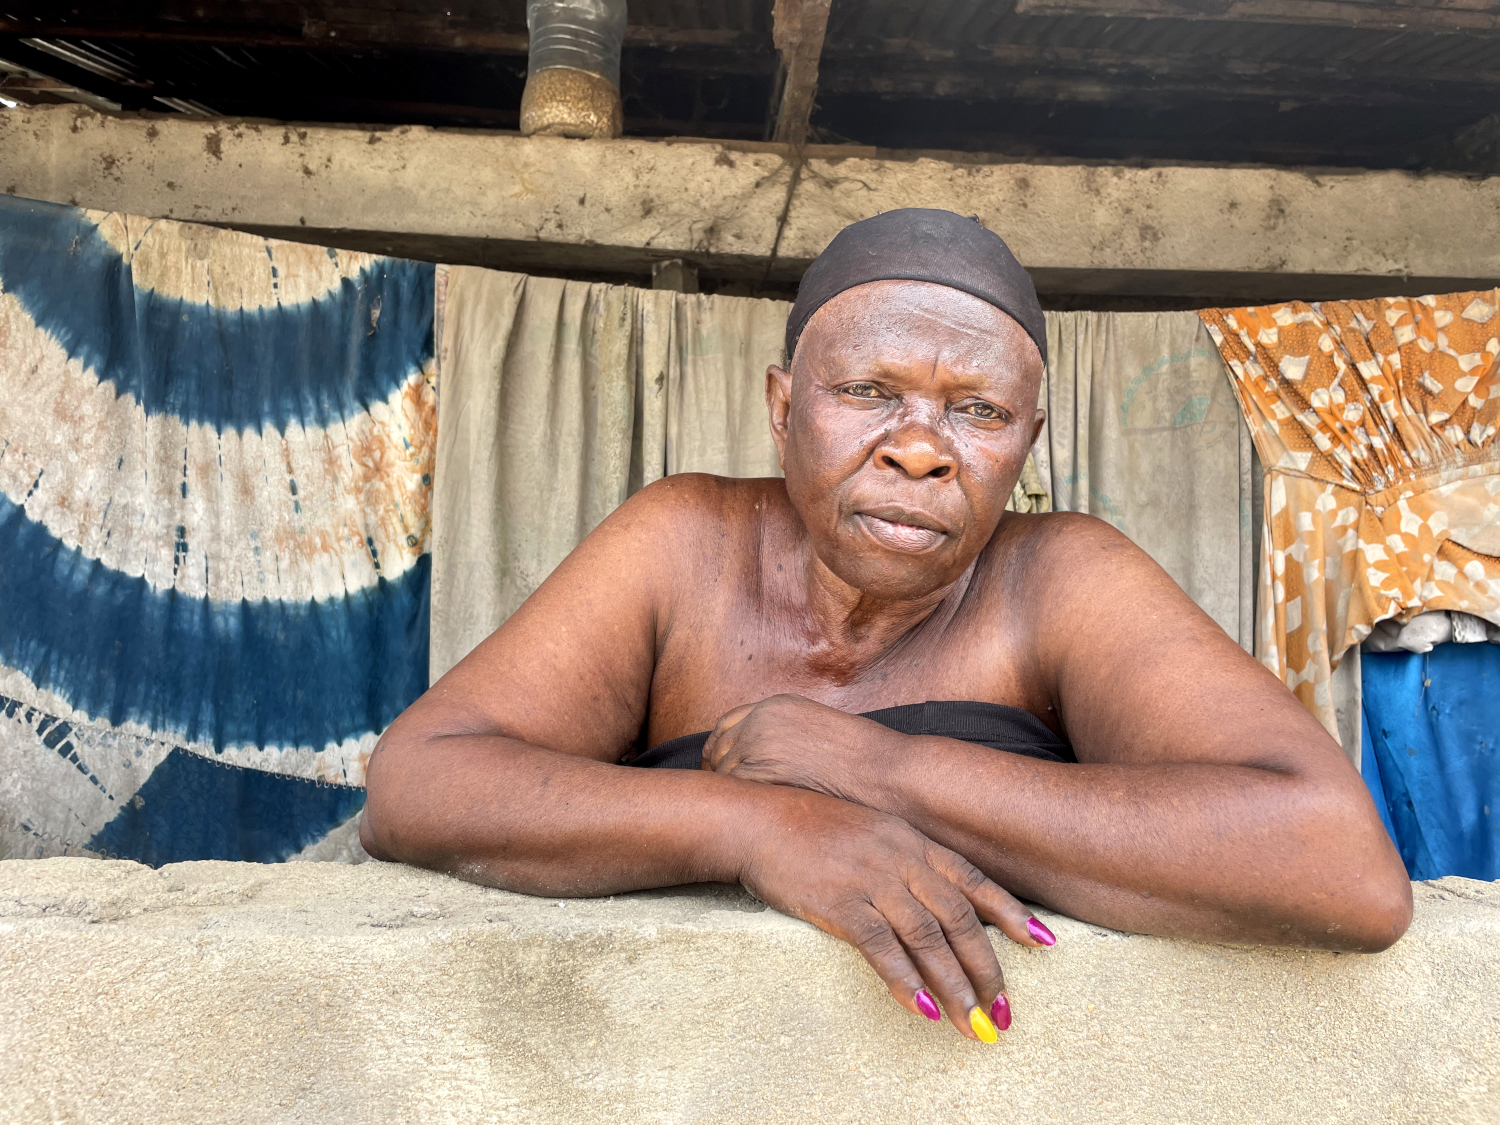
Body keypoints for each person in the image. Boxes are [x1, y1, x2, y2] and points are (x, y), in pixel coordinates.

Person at [361, 209, 1411, 1043]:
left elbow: (1340, 868)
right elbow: (420, 782)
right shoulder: (683, 543)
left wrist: (880, 771)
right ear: (783, 407)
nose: (921, 449)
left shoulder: (1060, 577)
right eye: (868, 392)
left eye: (979, 411)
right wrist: (761, 825)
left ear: (1027, 442)